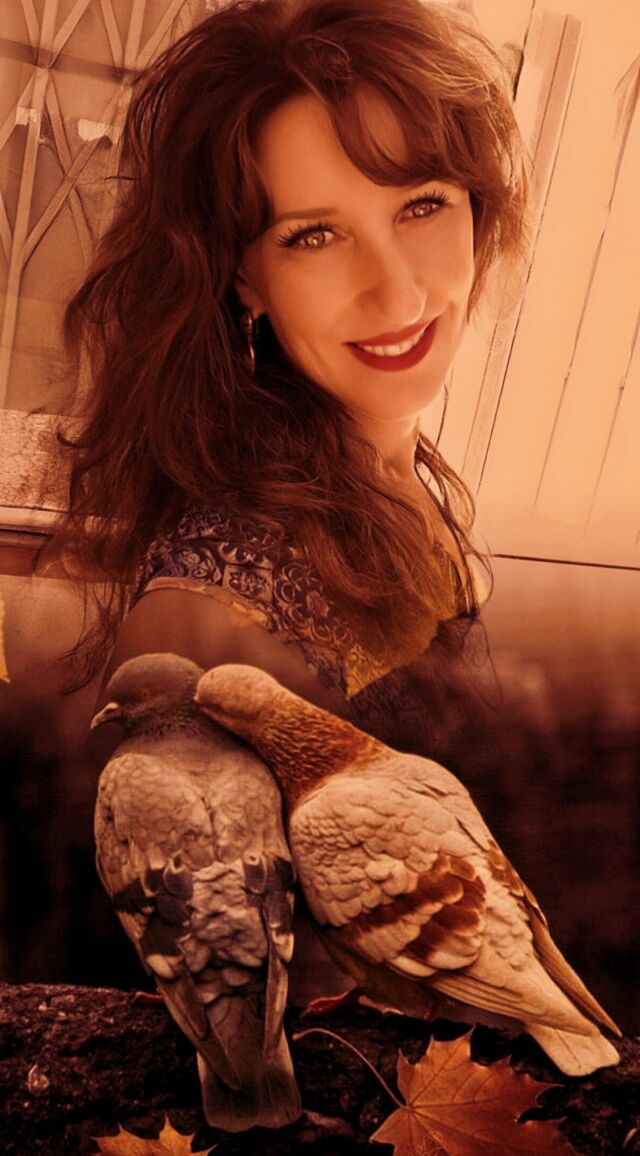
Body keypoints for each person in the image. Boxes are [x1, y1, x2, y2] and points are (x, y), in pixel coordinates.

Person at [50, 0, 528, 998]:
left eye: (422, 205)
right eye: (314, 235)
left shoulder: (395, 480)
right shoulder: (217, 610)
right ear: (243, 278)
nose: (398, 294)